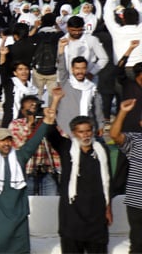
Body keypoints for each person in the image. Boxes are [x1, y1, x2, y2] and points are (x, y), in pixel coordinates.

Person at [0, 107, 54, 254]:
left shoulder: (19, 158)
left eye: (8, 140)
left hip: (18, 218)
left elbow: (34, 141)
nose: (6, 144)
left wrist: (46, 122)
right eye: (2, 141)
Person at [45, 98, 112, 254]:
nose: (85, 135)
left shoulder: (101, 151)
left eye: (88, 130)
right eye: (81, 132)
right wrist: (55, 102)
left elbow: (108, 182)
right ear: (74, 133)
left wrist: (108, 208)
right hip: (72, 216)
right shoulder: (66, 148)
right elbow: (49, 131)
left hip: (96, 217)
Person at [9, 94, 61, 195]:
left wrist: (49, 121)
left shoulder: (46, 124)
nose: (33, 111)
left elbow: (61, 139)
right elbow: (20, 145)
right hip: (27, 172)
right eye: (29, 109)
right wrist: (30, 124)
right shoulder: (16, 124)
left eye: (35, 108)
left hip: (47, 171)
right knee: (29, 205)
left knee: (50, 204)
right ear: (23, 111)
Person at [110, 98, 142, 252]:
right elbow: (115, 135)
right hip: (137, 202)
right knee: (137, 245)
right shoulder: (135, 140)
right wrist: (122, 112)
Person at [55, 38, 104, 137]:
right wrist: (61, 48)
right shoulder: (66, 83)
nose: (80, 71)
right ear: (72, 69)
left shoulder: (92, 87)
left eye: (82, 68)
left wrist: (100, 125)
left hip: (86, 131)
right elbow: (61, 67)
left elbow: (97, 108)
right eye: (77, 68)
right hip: (66, 129)